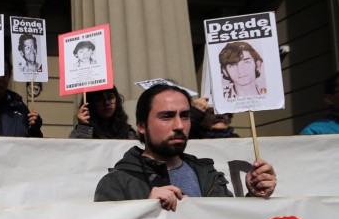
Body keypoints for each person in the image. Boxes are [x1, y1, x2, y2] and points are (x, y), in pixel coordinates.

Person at [94, 83, 277, 211]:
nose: (179, 126)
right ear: (141, 126)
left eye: (185, 116)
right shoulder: (115, 183)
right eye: (167, 116)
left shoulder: (209, 176)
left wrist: (254, 196)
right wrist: (145, 212)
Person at [69, 86, 137, 139]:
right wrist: (84, 127)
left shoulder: (128, 132)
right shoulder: (79, 132)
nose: (106, 103)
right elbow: (78, 151)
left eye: (110, 97)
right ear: (92, 104)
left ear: (117, 100)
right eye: (100, 99)